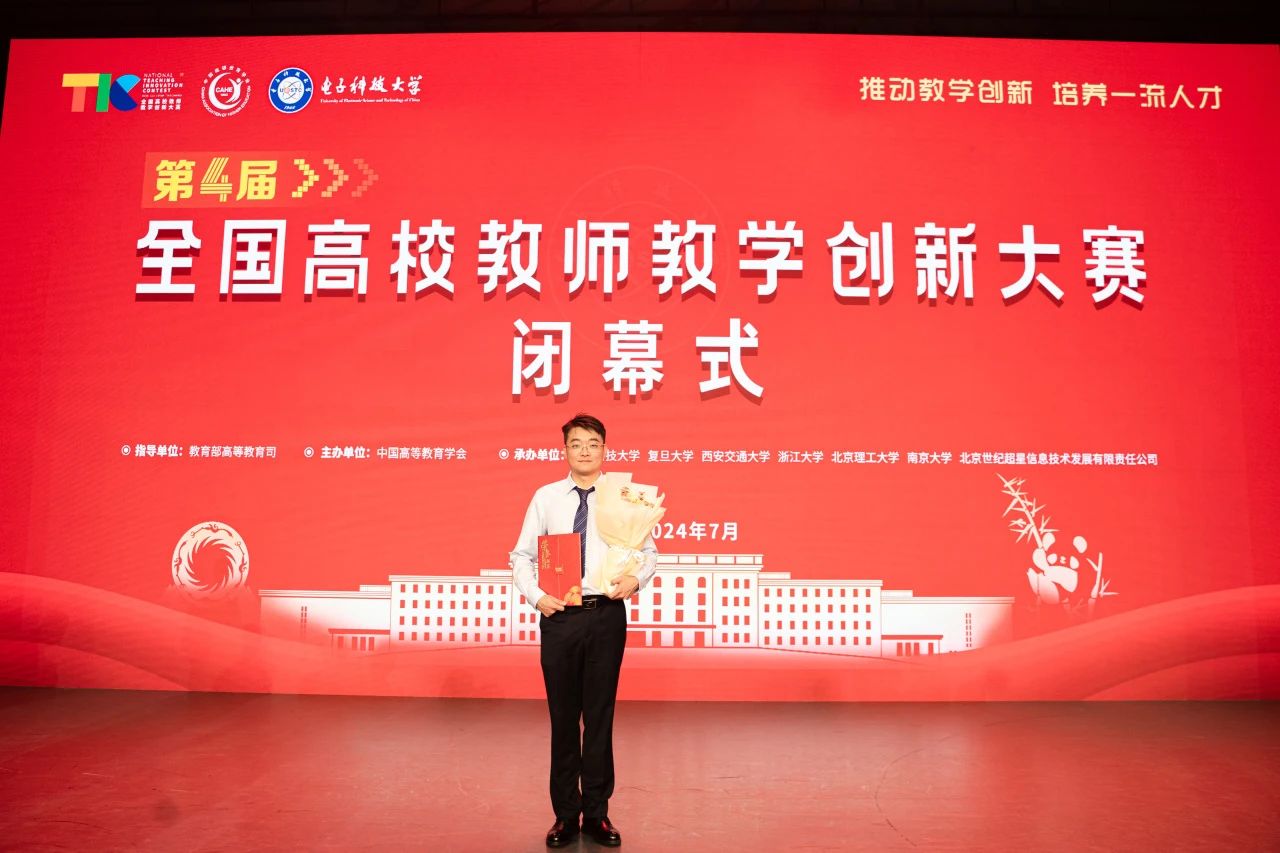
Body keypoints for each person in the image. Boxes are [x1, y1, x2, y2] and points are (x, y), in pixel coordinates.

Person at [510, 413, 658, 848]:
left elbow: (649, 553)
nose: (585, 451)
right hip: (560, 615)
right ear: (565, 451)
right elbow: (521, 556)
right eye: (576, 444)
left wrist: (636, 579)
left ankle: (597, 814)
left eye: (593, 444)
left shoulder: (625, 497)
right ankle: (564, 815)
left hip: (606, 613)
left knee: (599, 717)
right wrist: (537, 596)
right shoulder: (546, 497)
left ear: (605, 449)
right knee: (562, 718)